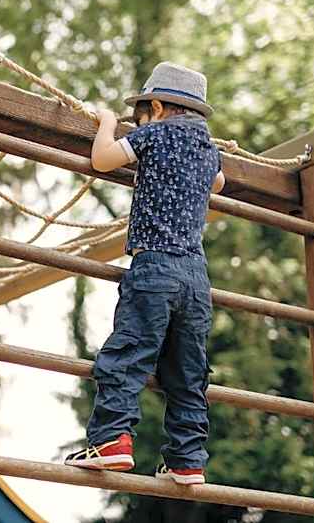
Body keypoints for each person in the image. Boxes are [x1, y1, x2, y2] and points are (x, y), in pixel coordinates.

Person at [64, 62, 225, 486]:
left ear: (155, 106)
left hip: (154, 266)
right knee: (189, 372)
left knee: (129, 353)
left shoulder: (154, 133)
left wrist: (106, 123)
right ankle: (188, 460)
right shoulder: (209, 150)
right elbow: (219, 183)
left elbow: (102, 159)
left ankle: (112, 441)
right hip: (195, 276)